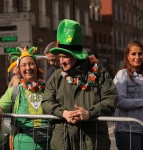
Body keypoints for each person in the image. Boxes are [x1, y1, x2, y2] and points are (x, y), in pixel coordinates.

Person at [41, 19, 118, 150]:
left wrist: (89, 114)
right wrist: (63, 113)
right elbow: (46, 102)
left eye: (65, 56)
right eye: (59, 57)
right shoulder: (56, 76)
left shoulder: (99, 73)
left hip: (92, 143)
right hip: (63, 142)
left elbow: (111, 99)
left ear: (76, 55)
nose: (61, 62)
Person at [0, 46, 50, 150]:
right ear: (19, 70)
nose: (28, 68)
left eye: (31, 64)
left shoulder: (49, 89)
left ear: (37, 67)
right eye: (24, 65)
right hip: (24, 143)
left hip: (49, 142)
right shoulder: (14, 91)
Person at [113, 41, 143, 150]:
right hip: (128, 130)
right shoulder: (122, 75)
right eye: (133, 54)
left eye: (140, 53)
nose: (137, 57)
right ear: (127, 56)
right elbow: (119, 101)